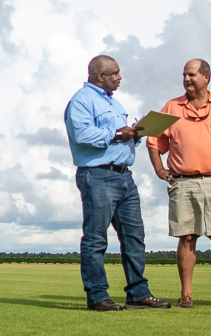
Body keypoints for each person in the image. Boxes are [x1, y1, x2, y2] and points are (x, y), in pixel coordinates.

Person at [64, 55, 171, 311]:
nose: (120, 78)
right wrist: (116, 133)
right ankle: (98, 296)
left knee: (135, 237)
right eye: (115, 74)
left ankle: (138, 293)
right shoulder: (81, 100)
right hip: (98, 175)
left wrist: (134, 134)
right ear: (100, 75)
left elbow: (118, 136)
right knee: (96, 239)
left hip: (124, 176)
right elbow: (81, 134)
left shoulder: (114, 103)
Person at [146, 59, 211, 309]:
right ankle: (186, 294)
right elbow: (151, 139)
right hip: (184, 182)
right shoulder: (171, 106)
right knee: (187, 237)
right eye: (184, 75)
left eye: (192, 75)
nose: (187, 79)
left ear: (206, 77)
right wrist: (159, 169)